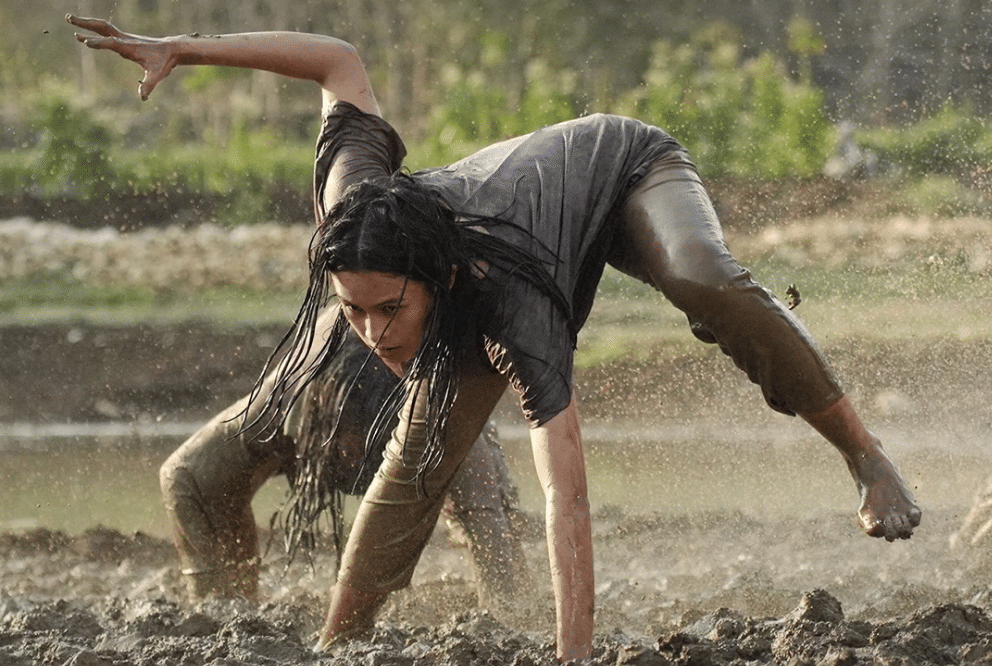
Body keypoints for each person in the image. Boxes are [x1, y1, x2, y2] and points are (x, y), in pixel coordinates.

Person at [69, 15, 922, 662]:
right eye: (351, 311)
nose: (368, 335)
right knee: (418, 454)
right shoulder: (354, 206)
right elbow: (337, 62)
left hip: (625, 172)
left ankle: (863, 453)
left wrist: (572, 653)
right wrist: (181, 48)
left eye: (386, 313)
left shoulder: (515, 311)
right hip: (480, 259)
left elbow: (568, 497)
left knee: (701, 277)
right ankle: (341, 639)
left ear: (433, 286)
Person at [160, 318, 531, 608]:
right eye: (341, 433)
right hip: (317, 387)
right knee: (215, 490)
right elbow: (183, 475)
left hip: (431, 388)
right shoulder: (284, 407)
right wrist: (218, 598)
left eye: (361, 431)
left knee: (493, 523)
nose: (351, 449)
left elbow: (488, 529)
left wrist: (502, 610)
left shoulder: (438, 418)